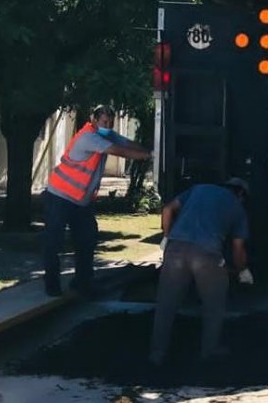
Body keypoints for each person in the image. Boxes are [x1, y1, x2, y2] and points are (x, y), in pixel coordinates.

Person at [43, 105, 152, 298]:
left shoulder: (106, 135)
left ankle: (82, 282)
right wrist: (147, 156)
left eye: (111, 122)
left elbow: (126, 143)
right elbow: (120, 151)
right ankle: (52, 285)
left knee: (87, 239)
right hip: (60, 195)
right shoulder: (88, 137)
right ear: (94, 120)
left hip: (80, 201)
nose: (108, 125)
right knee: (54, 241)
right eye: (104, 122)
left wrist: (149, 151)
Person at [148, 178, 253, 366]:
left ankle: (157, 353)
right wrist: (242, 270)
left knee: (166, 304)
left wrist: (166, 236)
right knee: (214, 304)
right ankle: (209, 350)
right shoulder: (238, 207)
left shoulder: (199, 189)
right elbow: (238, 248)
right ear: (241, 194)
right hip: (207, 254)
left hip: (175, 250)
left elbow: (167, 209)